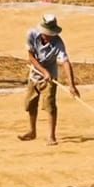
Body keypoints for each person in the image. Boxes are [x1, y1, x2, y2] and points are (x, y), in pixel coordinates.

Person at [18, 13, 79, 145]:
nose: (50, 36)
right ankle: (32, 131)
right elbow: (31, 57)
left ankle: (51, 136)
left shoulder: (58, 43)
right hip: (35, 75)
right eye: (47, 33)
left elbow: (65, 63)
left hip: (50, 78)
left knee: (50, 106)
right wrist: (43, 71)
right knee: (30, 104)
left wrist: (71, 85)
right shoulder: (31, 35)